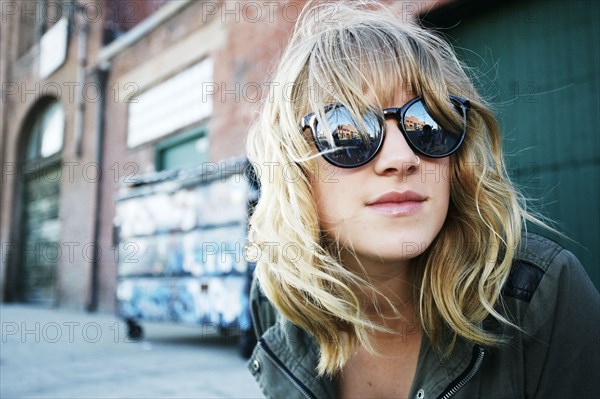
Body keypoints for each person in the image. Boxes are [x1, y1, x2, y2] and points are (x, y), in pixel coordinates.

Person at [244, 1, 600, 398]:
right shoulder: (278, 298)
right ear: (295, 167)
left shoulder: (539, 296)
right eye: (348, 130)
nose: (402, 159)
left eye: (428, 122)